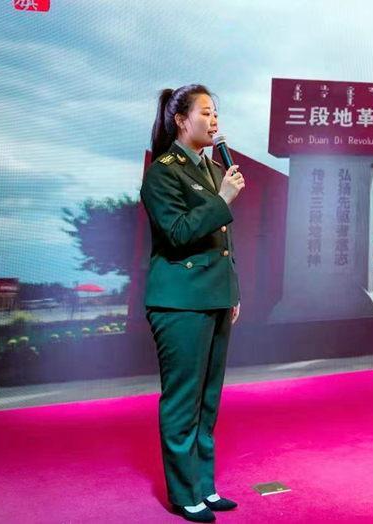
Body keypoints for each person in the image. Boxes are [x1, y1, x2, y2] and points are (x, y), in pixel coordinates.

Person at [141, 84, 245, 523]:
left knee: (208, 399)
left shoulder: (211, 168)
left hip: (215, 297)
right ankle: (185, 494)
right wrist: (222, 199)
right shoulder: (162, 172)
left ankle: (205, 486)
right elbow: (178, 233)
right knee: (184, 399)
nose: (214, 120)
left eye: (216, 112)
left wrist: (233, 291)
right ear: (181, 120)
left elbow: (222, 242)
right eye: (205, 112)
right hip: (180, 301)